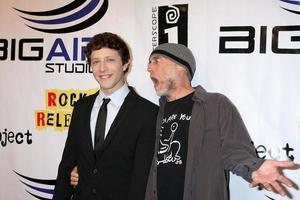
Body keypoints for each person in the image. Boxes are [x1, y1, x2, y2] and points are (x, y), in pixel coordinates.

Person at [144, 43, 296, 200]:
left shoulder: (215, 104)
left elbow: (235, 150)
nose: (149, 69)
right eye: (149, 63)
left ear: (180, 66)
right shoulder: (155, 113)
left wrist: (253, 168)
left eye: (156, 61)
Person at [52, 32, 158, 200]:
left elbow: (141, 180)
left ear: (125, 64)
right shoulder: (81, 107)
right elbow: (67, 164)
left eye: (110, 60)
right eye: (96, 62)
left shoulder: (148, 113)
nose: (102, 68)